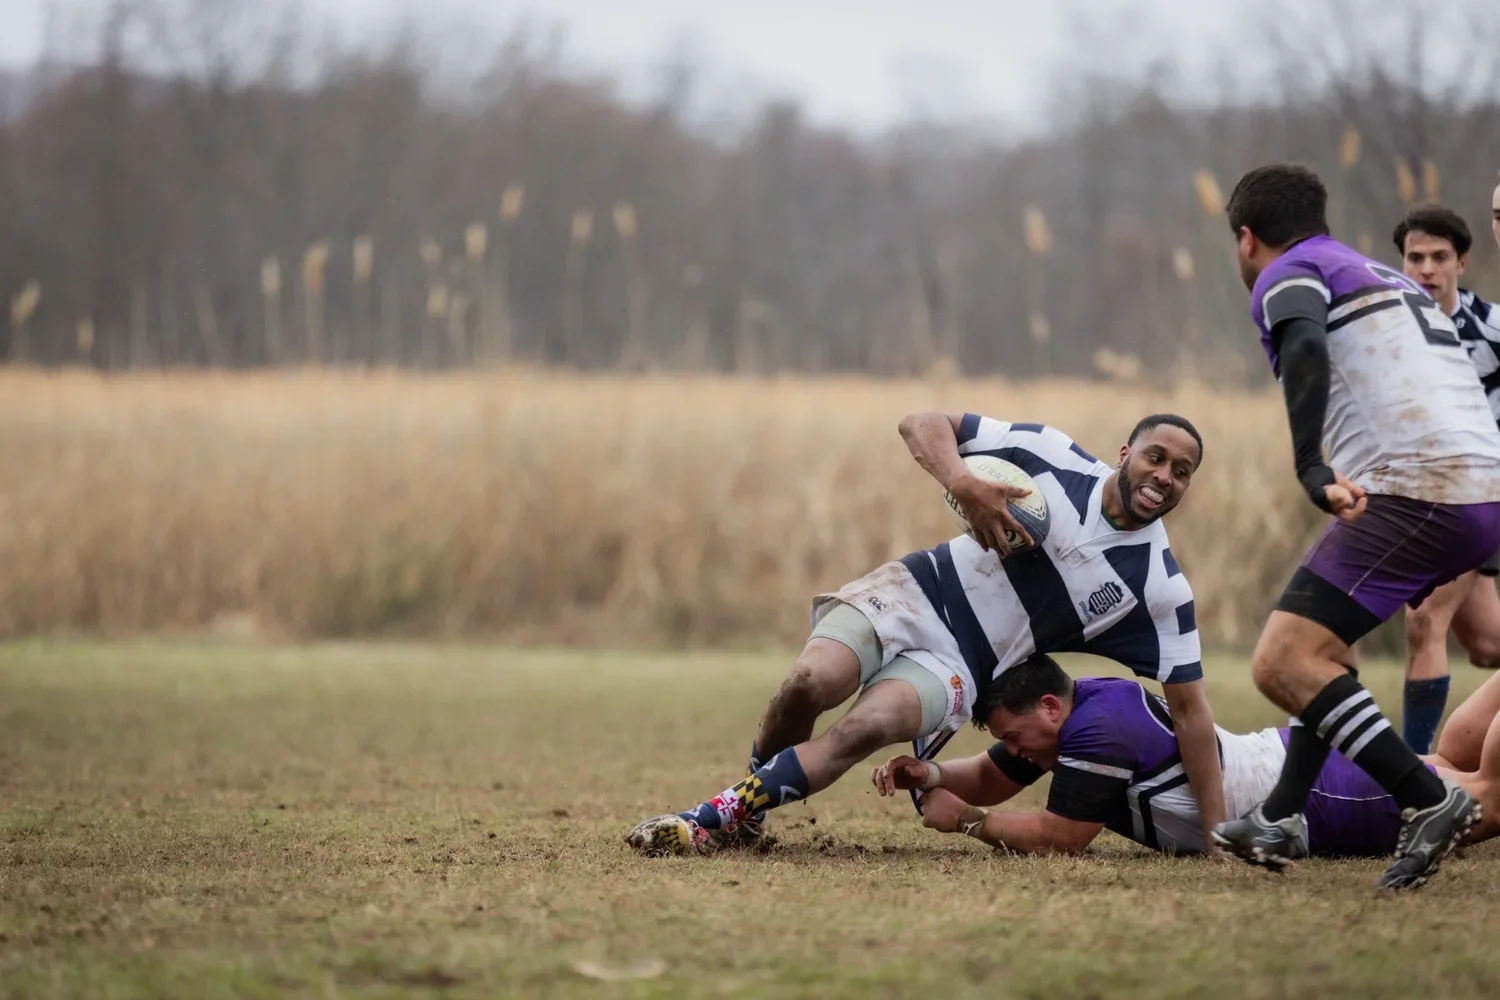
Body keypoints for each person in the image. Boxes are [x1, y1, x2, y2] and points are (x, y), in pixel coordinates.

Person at [624, 411, 1226, 856]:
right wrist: (961, 481)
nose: (1164, 476)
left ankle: (713, 816)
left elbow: (1192, 715)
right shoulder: (1049, 453)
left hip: (962, 663)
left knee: (864, 729)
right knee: (809, 683)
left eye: (1182, 471)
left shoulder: (1159, 587)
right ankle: (750, 812)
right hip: (917, 588)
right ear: (1126, 452)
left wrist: (1218, 835)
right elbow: (922, 423)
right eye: (1155, 457)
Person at [1207, 163, 1500, 891]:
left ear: (1247, 239)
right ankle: (1278, 815)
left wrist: (1310, 466)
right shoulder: (1374, 271)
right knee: (1320, 644)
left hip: (1420, 489)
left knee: (1281, 661)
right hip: (1473, 489)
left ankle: (1430, 800)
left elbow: (1303, 342)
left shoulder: (1289, 273)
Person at [872, 655, 1500, 862]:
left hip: (1319, 796)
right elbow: (988, 775)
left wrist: (967, 822)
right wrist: (928, 774)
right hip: (1294, 766)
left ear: (1048, 707)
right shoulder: (1073, 713)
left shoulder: (1098, 734)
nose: (1013, 750)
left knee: (1485, 796)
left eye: (1014, 736)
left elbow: (1062, 837)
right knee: (1453, 757)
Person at [1394, 203, 1500, 754]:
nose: (1427, 268)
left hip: (1484, 496)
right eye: (1416, 258)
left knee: (1424, 618)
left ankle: (1412, 785)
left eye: (1439, 257)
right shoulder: (1384, 333)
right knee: (1485, 646)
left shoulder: (1491, 329)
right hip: (1431, 500)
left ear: (1462, 262)